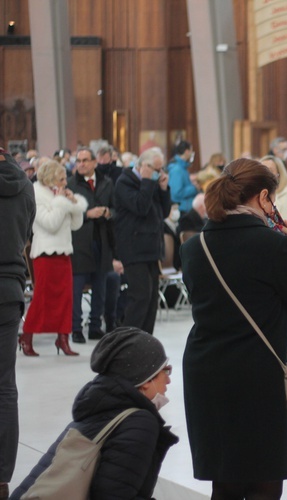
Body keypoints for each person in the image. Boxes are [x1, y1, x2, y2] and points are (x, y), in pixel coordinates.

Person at [180, 159, 287, 499]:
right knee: (263, 480)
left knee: (225, 482)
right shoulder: (272, 245)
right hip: (257, 376)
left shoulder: (193, 248)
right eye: (272, 200)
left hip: (205, 374)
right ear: (263, 197)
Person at [10, 327, 179, 499]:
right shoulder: (139, 422)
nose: (169, 379)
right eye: (164, 370)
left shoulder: (99, 405)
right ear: (145, 379)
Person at [21, 160, 87, 356]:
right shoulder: (36, 194)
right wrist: (61, 203)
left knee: (66, 299)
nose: (66, 182)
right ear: (50, 179)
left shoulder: (59, 194)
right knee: (41, 299)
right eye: (62, 178)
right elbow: (50, 223)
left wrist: (73, 204)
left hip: (64, 253)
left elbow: (75, 225)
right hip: (45, 255)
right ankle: (26, 337)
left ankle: (63, 338)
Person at [0, 148, 35, 499]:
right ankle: (1, 477)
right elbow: (26, 234)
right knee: (4, 386)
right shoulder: (24, 183)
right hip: (8, 289)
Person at [113, 147, 171, 334]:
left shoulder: (151, 183)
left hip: (151, 248)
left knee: (152, 298)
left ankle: (146, 341)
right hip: (133, 248)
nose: (159, 173)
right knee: (140, 297)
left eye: (161, 169)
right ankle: (127, 341)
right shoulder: (124, 182)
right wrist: (147, 181)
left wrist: (163, 190)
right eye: (156, 169)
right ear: (143, 166)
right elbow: (140, 207)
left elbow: (164, 212)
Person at [68, 148, 116, 343]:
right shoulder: (71, 184)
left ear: (94, 162)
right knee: (77, 288)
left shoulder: (107, 182)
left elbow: (116, 209)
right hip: (79, 242)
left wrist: (107, 212)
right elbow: (68, 213)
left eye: (85, 160)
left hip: (102, 240)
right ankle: (76, 328)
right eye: (78, 161)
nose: (81, 164)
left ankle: (95, 326)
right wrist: (87, 214)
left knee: (100, 286)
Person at [166, 140, 198, 215]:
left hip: (186, 209)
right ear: (187, 151)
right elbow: (176, 193)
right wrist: (194, 188)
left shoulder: (182, 167)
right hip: (183, 210)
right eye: (191, 151)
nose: (192, 153)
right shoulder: (177, 169)